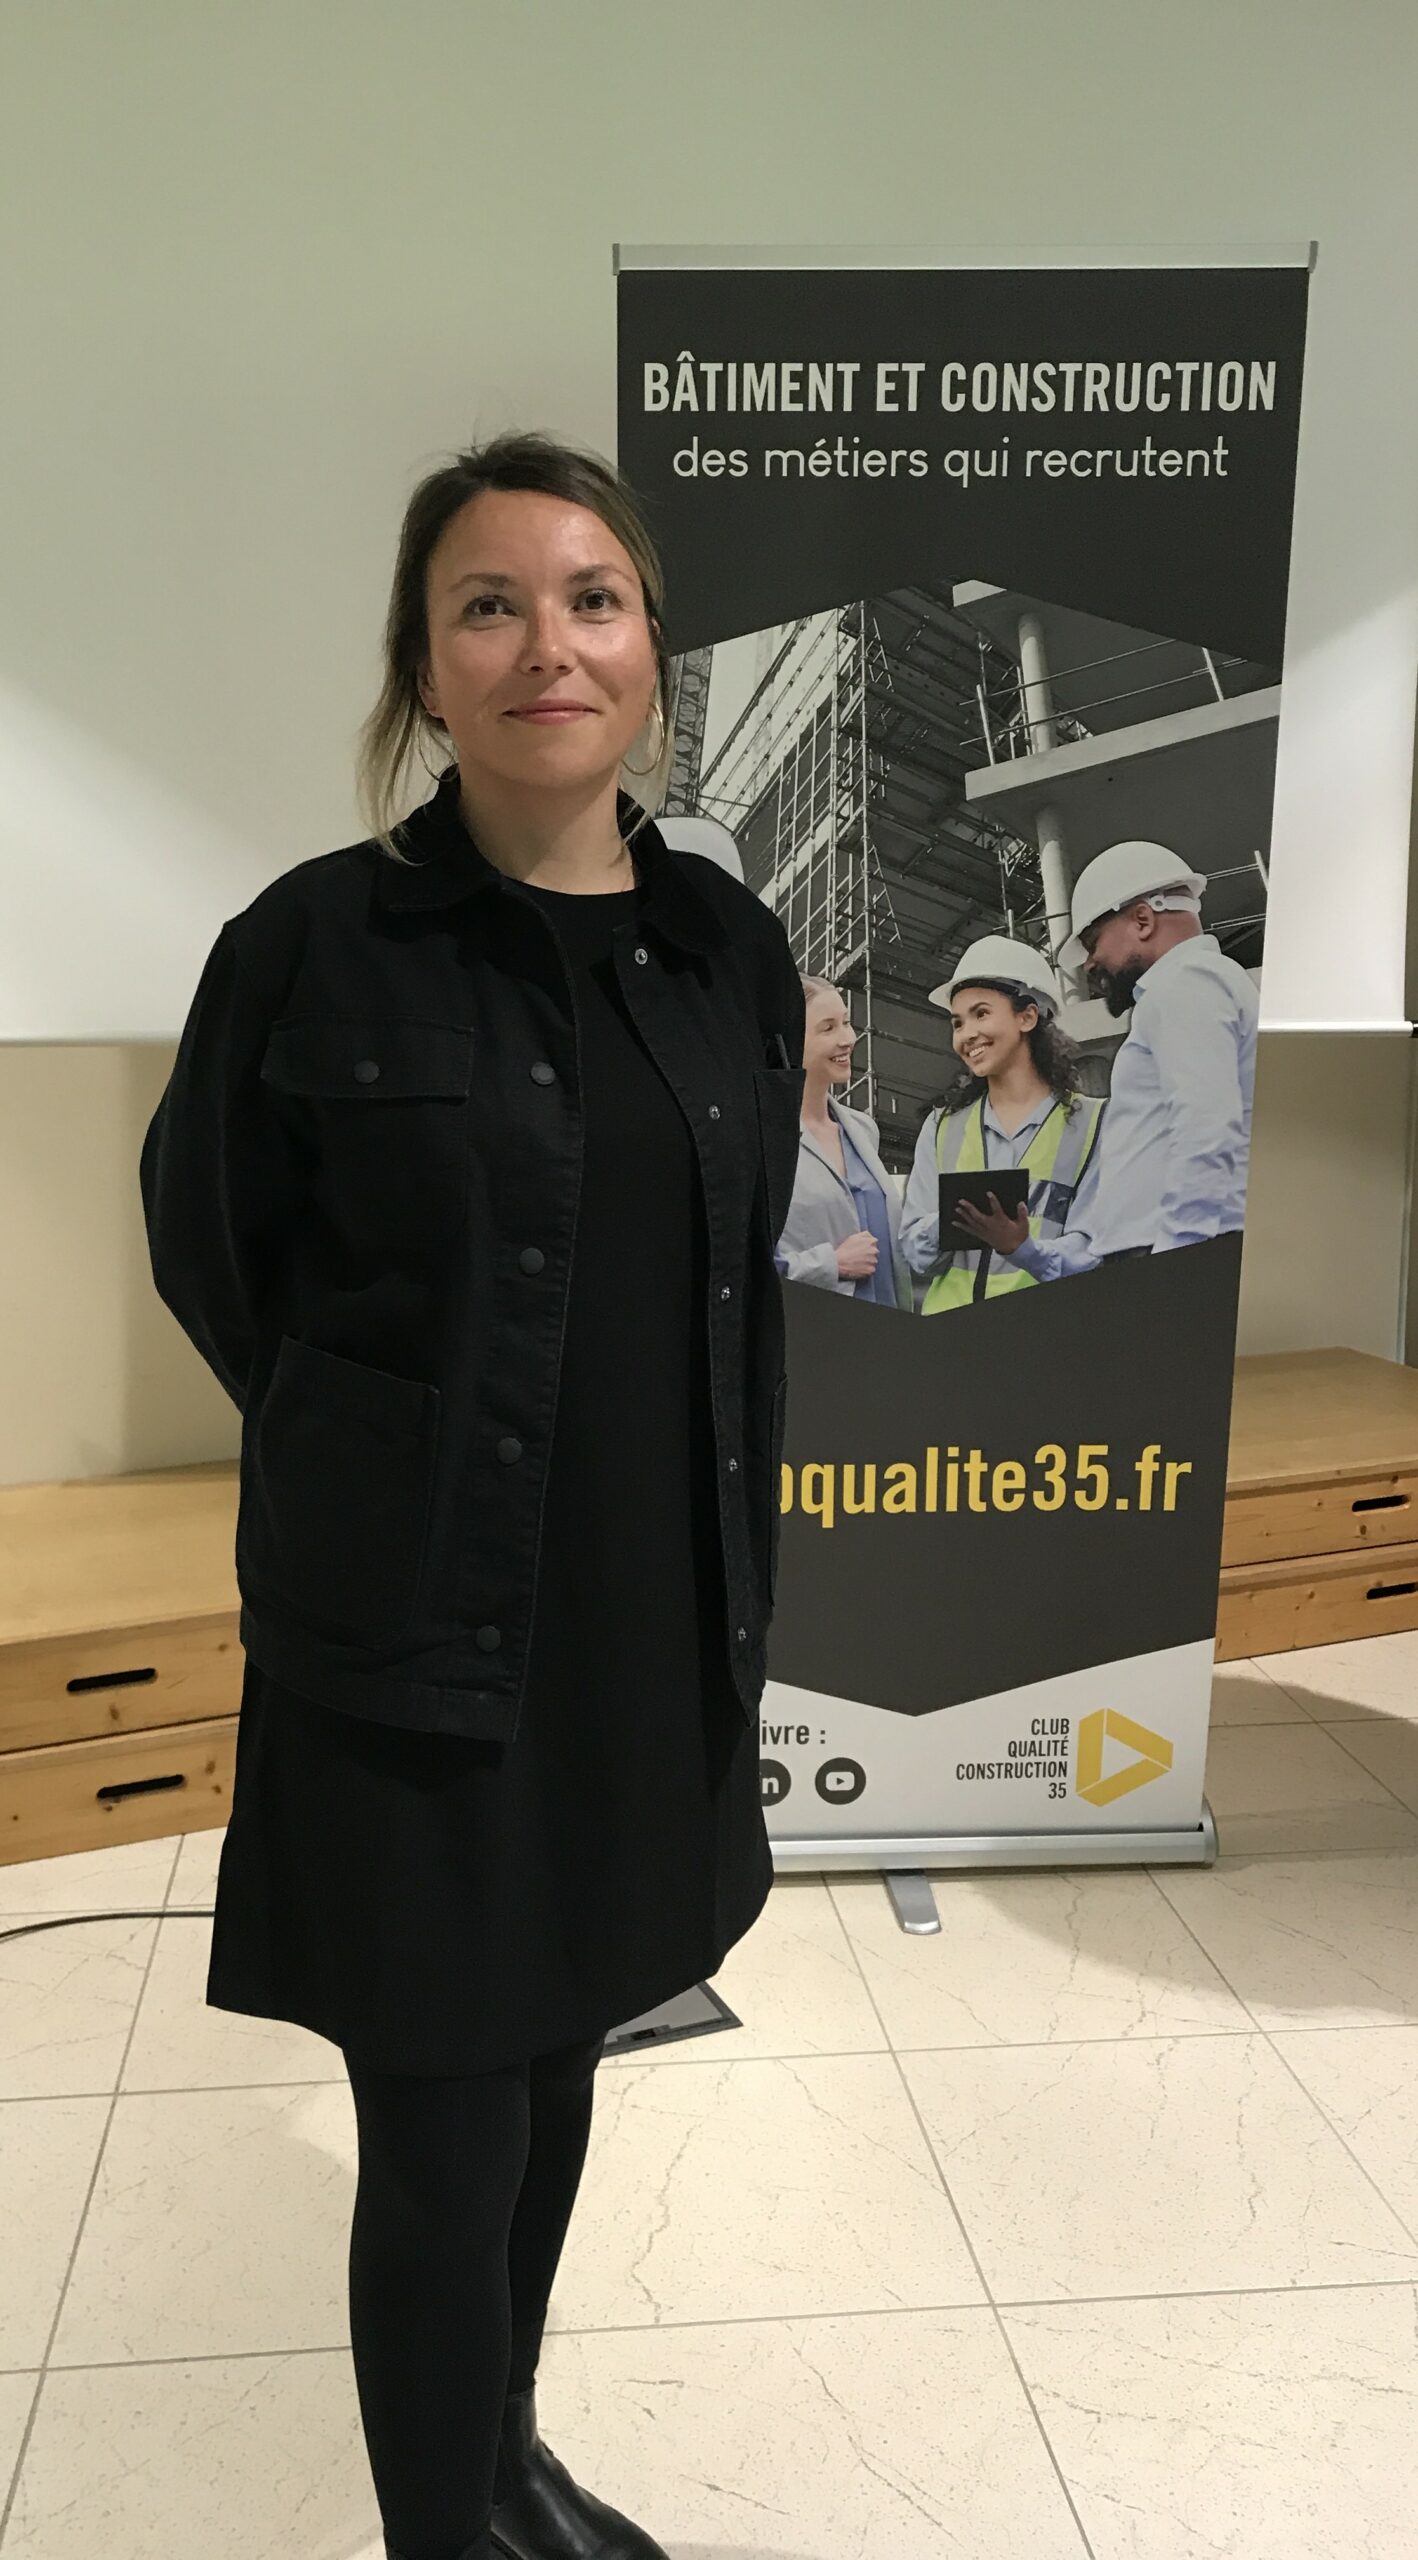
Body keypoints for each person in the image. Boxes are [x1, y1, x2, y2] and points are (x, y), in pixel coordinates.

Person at [138, 430, 805, 2560]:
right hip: (416, 1643)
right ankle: (448, 2531)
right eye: (488, 605)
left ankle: (502, 2459)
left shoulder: (726, 952)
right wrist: (381, 1468)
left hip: (648, 1634)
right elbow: (217, 1254)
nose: (546, 644)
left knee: (562, 2056)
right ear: (424, 668)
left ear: (650, 647)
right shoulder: (311, 945)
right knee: (439, 2132)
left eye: (591, 599)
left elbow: (730, 1277)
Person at [970, 841, 1259, 1284]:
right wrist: (1028, 1251)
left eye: (1093, 943)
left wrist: (1176, 1264)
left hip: (1184, 1258)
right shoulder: (1189, 989)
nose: (1090, 964)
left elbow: (1206, 1129)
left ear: (1143, 920)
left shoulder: (1185, 983)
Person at [898, 935, 1105, 1311]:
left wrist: (1023, 1249)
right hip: (952, 1334)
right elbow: (916, 1255)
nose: (966, 1034)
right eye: (957, 1023)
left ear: (1027, 1016)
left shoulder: (1094, 1125)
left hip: (1044, 1332)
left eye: (981, 1014)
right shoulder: (942, 1127)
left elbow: (1095, 1251)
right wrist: (953, 1220)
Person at [773, 974, 912, 1307]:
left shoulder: (863, 1130)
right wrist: (831, 1264)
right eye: (828, 1028)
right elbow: (743, 1266)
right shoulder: (766, 1140)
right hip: (821, 1328)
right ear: (791, 1041)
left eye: (846, 1023)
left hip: (890, 1326)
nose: (848, 1038)